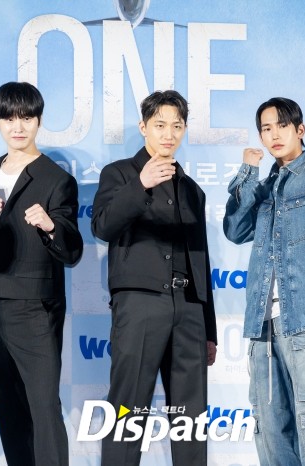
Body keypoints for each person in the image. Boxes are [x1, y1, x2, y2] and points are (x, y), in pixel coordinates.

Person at [223, 97, 305, 466]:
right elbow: (235, 229)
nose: (274, 135)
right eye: (266, 129)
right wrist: (248, 173)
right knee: (271, 432)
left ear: (300, 129)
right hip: (262, 327)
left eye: (282, 126)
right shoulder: (264, 186)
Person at [92, 90, 217, 465]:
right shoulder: (119, 173)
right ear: (143, 127)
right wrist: (140, 185)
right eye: (160, 125)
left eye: (177, 126)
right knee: (128, 410)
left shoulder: (192, 189)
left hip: (189, 310)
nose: (169, 134)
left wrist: (208, 328)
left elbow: (201, 259)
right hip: (140, 304)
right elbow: (103, 226)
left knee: (190, 419)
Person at [0, 82, 83, 466]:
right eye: (9, 119)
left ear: (39, 121)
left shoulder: (56, 179)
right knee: (9, 404)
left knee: (43, 406)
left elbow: (73, 251)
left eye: (27, 118)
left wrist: (50, 225)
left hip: (36, 305)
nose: (18, 127)